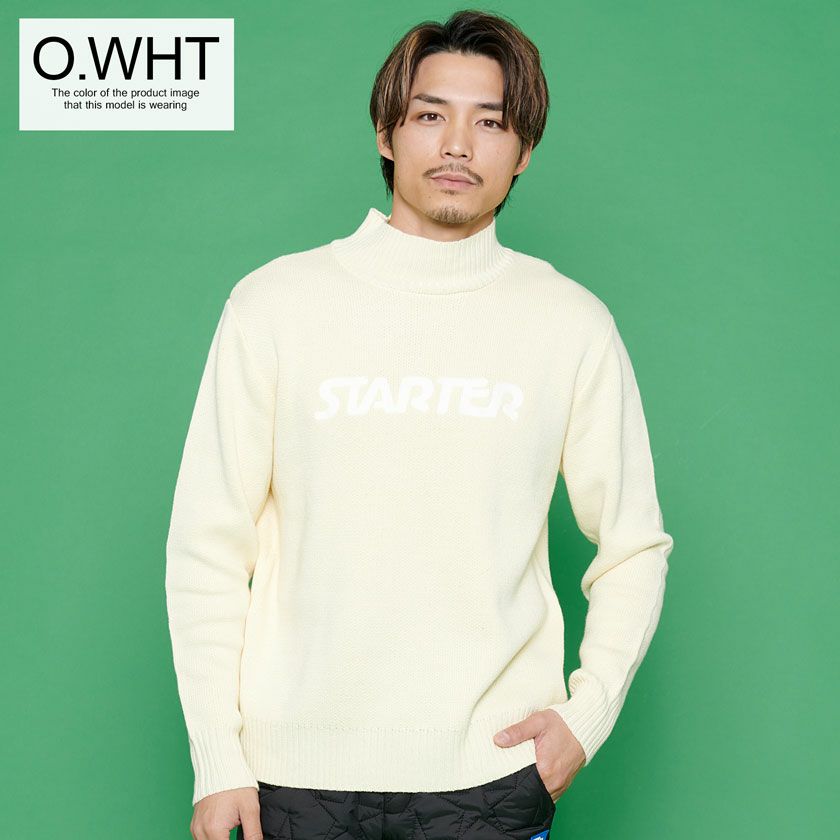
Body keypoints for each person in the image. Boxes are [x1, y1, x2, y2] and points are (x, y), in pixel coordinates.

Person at [165, 9, 674, 840]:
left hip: (489, 776)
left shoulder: (569, 323)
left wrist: (587, 717)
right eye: (431, 114)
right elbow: (207, 548)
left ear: (524, 152)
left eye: (491, 123)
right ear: (386, 132)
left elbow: (634, 546)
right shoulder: (275, 306)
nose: (458, 145)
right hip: (291, 775)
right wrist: (217, 758)